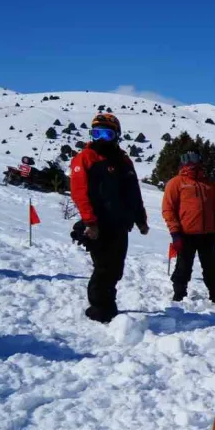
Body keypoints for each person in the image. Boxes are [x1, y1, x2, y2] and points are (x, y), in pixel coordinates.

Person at [69, 113, 149, 322]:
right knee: (103, 267)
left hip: (121, 224)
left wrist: (141, 219)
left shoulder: (123, 161)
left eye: (107, 133)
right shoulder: (86, 157)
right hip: (99, 224)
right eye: (97, 133)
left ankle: (108, 304)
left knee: (116, 267)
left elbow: (134, 192)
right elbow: (79, 191)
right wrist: (90, 222)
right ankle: (98, 309)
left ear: (116, 135)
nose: (102, 138)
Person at [162, 151, 215, 305]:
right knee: (183, 267)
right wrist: (175, 232)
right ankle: (179, 295)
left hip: (208, 234)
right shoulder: (176, 183)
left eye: (197, 165)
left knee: (211, 268)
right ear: (183, 165)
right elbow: (168, 209)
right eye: (190, 165)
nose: (193, 168)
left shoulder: (209, 185)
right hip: (185, 234)